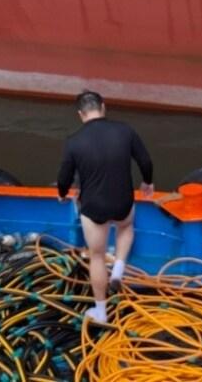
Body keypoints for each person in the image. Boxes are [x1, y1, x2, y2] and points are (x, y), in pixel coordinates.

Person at [56, 90, 153, 324]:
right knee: (126, 226)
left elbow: (64, 177)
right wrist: (147, 182)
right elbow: (146, 161)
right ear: (103, 107)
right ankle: (118, 269)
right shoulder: (125, 130)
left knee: (97, 256)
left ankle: (101, 311)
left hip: (93, 207)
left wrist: (61, 194)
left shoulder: (74, 142)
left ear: (81, 114)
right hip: (122, 202)